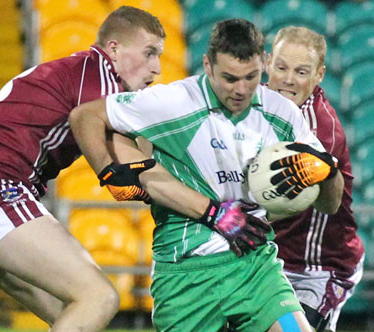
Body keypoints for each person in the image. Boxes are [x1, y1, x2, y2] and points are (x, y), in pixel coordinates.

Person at [70, 18, 345, 331]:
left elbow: (329, 204)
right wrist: (108, 169)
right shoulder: (173, 103)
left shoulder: (282, 112)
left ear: (264, 64)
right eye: (229, 78)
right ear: (208, 66)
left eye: (251, 77)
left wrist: (327, 170)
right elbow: (85, 116)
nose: (241, 90)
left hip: (254, 267)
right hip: (186, 274)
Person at [0, 6, 165, 332]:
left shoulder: (73, 70)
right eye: (149, 53)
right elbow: (130, 174)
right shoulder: (99, 78)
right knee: (99, 297)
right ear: (114, 49)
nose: (157, 69)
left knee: (72, 315)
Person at [266, 26, 365, 332]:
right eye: (281, 67)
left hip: (316, 270)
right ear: (267, 62)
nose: (288, 79)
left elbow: (290, 203)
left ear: (320, 75)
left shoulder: (318, 131)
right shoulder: (251, 105)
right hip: (269, 262)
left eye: (301, 71)